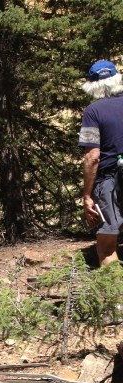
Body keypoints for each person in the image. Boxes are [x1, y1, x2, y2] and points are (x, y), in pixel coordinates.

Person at [79, 60, 123, 265]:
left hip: (110, 180)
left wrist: (87, 195)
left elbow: (93, 156)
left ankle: (115, 297)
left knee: (106, 248)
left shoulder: (93, 112)